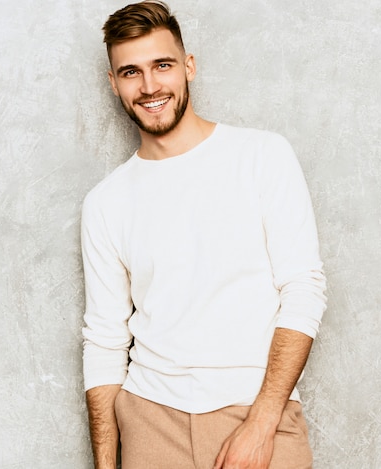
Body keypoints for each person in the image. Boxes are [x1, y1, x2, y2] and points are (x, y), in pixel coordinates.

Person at [80, 1, 327, 468]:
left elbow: (303, 289)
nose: (150, 86)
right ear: (113, 83)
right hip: (149, 421)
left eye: (163, 65)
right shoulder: (105, 203)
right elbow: (105, 340)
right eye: (131, 72)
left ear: (188, 66)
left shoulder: (262, 156)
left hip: (257, 416)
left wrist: (261, 423)